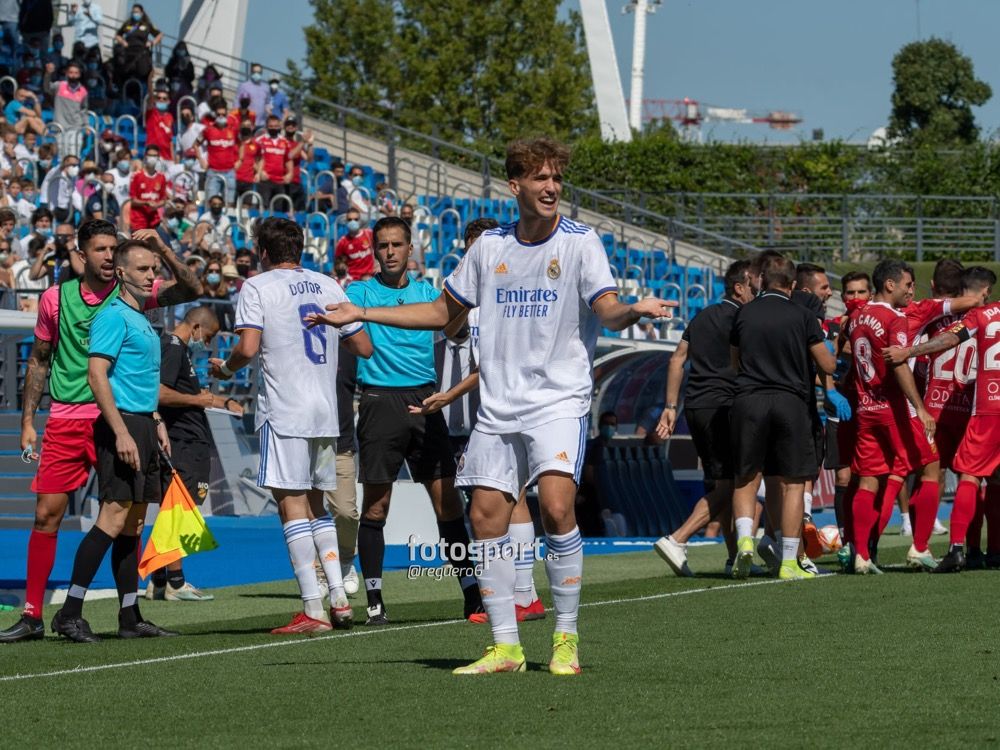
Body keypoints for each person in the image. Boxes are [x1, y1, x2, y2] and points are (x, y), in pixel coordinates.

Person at [307, 137, 676, 675]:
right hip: (499, 406)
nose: (551, 187)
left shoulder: (581, 242)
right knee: (483, 518)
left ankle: (566, 637)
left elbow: (608, 308)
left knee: (556, 507)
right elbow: (442, 312)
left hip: (558, 401)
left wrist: (633, 310)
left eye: (556, 178)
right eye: (540, 177)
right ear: (515, 185)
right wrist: (360, 312)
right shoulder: (488, 249)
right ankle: (506, 647)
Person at [0, 222, 201, 643]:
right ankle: (34, 614)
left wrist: (162, 247)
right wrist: (27, 421)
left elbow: (190, 289)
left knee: (130, 519)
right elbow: (40, 359)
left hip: (118, 418)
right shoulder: (56, 299)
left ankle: (128, 614)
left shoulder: (136, 292)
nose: (108, 256)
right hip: (69, 419)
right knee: (47, 515)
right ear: (81, 255)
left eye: (113, 248)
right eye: (99, 249)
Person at [209, 217, 374, 634]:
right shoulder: (329, 285)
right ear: (299, 249)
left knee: (291, 505)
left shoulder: (257, 286)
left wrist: (225, 369)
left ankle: (312, 609)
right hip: (326, 412)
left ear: (263, 252)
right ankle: (339, 599)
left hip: (285, 410)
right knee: (317, 505)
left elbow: (247, 348)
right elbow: (364, 346)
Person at [333, 216, 485, 626]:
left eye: (397, 245)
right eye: (382, 246)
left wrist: (464, 303)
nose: (390, 252)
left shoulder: (428, 294)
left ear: (410, 249)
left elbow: (454, 333)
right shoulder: (359, 292)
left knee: (448, 502)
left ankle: (472, 595)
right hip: (380, 401)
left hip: (426, 400)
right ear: (374, 251)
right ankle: (375, 602)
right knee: (376, 506)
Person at [49, 238, 179, 642]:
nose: (151, 276)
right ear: (121, 273)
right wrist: (121, 431)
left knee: (133, 524)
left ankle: (129, 616)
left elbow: (138, 378)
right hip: (121, 426)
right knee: (112, 518)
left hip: (143, 424)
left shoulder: (141, 317)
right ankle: (69, 613)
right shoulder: (112, 315)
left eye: (153, 269)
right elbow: (97, 375)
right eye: (142, 269)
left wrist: (155, 419)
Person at [729, 255, 836, 581]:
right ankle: (789, 560)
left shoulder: (744, 312)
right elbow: (827, 365)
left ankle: (745, 540)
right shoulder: (803, 315)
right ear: (793, 284)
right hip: (790, 402)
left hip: (749, 400)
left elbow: (734, 362)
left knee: (746, 477)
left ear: (761, 279)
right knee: (792, 483)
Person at [883, 266, 997, 572]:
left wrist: (908, 353)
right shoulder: (985, 314)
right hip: (970, 408)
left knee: (927, 476)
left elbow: (936, 347)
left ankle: (921, 546)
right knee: (980, 480)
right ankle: (980, 548)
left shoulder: (934, 313)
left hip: (938, 408)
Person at [654, 259, 756, 577]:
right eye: (753, 286)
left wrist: (670, 407)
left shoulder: (701, 316)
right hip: (724, 406)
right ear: (739, 288)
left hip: (696, 406)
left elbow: (677, 360)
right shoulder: (743, 319)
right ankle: (677, 539)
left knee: (720, 482)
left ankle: (732, 556)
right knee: (732, 485)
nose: (757, 291)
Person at [844, 259, 942, 574]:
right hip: (894, 409)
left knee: (869, 480)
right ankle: (920, 548)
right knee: (931, 468)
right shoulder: (894, 318)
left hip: (865, 410)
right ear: (890, 284)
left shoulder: (856, 316)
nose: (911, 290)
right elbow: (898, 365)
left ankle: (862, 555)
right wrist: (920, 407)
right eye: (907, 285)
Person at [149, 305, 241, 601]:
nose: (208, 343)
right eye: (209, 336)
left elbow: (185, 394)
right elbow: (160, 393)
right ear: (197, 328)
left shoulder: (177, 350)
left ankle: (159, 579)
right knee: (180, 509)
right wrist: (198, 401)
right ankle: (175, 582)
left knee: (173, 509)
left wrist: (221, 402)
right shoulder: (173, 347)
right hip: (183, 442)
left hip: (186, 440)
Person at [322, 347, 361, 597]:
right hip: (305, 442)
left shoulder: (349, 347)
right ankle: (319, 573)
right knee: (308, 514)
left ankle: (345, 560)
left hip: (341, 444)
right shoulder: (301, 344)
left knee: (347, 513)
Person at [197, 98, 238, 207]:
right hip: (213, 172)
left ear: (227, 114)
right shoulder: (208, 130)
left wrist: (240, 160)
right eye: (218, 115)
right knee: (211, 203)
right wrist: (201, 160)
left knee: (229, 204)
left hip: (230, 172)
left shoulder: (233, 129)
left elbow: (243, 143)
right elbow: (196, 144)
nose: (221, 117)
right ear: (214, 114)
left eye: (223, 115)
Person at [113, 4, 161, 87]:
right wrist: (123, 42)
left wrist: (152, 42)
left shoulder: (147, 24)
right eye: (133, 12)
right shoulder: (127, 24)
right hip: (128, 52)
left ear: (142, 13)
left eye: (137, 12)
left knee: (142, 74)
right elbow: (118, 35)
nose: (135, 14)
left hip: (142, 53)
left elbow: (159, 35)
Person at [255, 114, 291, 209]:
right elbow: (253, 159)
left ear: (279, 126)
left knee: (278, 210)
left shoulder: (285, 142)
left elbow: (288, 160)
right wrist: (260, 172)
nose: (273, 128)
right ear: (267, 126)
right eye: (271, 126)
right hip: (265, 180)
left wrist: (290, 173)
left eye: (276, 126)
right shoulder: (260, 140)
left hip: (280, 181)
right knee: (263, 208)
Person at [128, 145, 167, 231]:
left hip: (154, 220)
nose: (152, 158)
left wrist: (157, 205)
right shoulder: (136, 176)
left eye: (155, 156)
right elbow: (132, 200)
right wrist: (146, 203)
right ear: (145, 156)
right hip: (138, 221)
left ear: (158, 157)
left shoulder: (161, 177)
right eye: (150, 155)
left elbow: (163, 200)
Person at [334, 208, 374, 280]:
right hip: (352, 279)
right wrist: (340, 266)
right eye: (350, 220)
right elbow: (337, 262)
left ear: (360, 221)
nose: (353, 222)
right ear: (346, 221)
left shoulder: (369, 234)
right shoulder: (342, 242)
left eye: (356, 219)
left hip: (369, 277)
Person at [283, 116, 312, 212]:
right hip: (286, 182)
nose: (290, 127)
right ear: (284, 127)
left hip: (296, 182)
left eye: (293, 125)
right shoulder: (281, 141)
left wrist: (310, 144)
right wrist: (303, 142)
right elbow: (290, 155)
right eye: (288, 124)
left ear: (296, 128)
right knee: (286, 211)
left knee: (299, 212)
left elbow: (309, 159)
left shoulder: (297, 144)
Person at [41, 154, 79, 224]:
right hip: (51, 206)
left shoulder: (74, 178)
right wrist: (63, 165)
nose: (75, 167)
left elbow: (75, 194)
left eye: (76, 165)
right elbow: (57, 168)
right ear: (65, 164)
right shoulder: (55, 173)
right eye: (73, 165)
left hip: (65, 208)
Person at [145, 87, 175, 162]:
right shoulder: (151, 113)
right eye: (159, 98)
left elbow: (170, 139)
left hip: (167, 157)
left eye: (164, 99)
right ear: (155, 100)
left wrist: (173, 159)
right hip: (153, 155)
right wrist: (150, 81)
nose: (161, 100)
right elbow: (150, 97)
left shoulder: (170, 117)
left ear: (168, 101)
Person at [236, 62, 269, 128]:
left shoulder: (266, 88)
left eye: (259, 72)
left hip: (261, 123)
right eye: (254, 72)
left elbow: (267, 103)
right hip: (247, 122)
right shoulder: (244, 86)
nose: (257, 74)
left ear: (261, 73)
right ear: (251, 73)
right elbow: (237, 102)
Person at [235, 122, 260, 198]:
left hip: (248, 181)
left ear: (252, 127)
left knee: (247, 204)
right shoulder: (234, 142)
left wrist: (258, 172)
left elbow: (261, 159)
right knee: (230, 204)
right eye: (243, 125)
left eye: (248, 125)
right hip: (234, 179)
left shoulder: (256, 144)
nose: (246, 127)